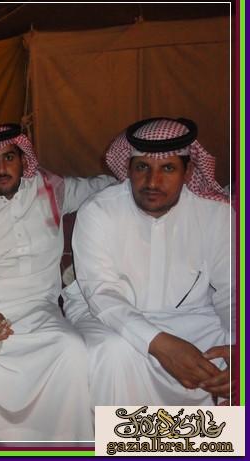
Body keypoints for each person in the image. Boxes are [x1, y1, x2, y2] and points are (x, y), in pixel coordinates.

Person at [0, 123, 115, 441]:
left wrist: (136, 175)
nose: (1, 167)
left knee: (71, 349)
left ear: (23, 159)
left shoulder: (51, 191)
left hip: (37, 307)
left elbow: (99, 186)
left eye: (9, 157)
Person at [63, 117, 234, 407]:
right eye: (142, 167)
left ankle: (198, 435)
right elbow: (102, 294)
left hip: (191, 315)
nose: (152, 182)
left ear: (188, 171)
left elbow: (233, 289)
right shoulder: (99, 211)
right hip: (107, 314)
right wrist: (160, 344)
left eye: (168, 168)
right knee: (113, 352)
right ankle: (129, 436)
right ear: (129, 168)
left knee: (227, 349)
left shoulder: (216, 213)